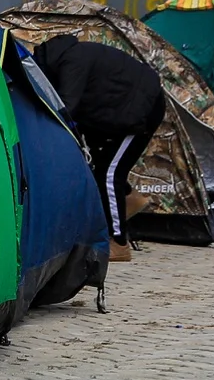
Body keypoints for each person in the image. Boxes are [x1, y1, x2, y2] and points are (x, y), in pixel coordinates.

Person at [34, 35, 167, 263]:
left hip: (141, 109)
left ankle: (119, 243)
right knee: (102, 167)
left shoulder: (73, 61)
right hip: (122, 110)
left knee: (110, 173)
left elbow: (67, 108)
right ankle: (130, 199)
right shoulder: (74, 57)